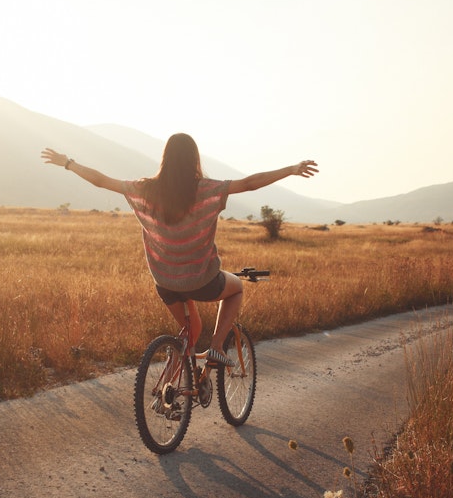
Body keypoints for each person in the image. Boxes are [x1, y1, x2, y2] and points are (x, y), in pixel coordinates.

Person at [41, 133, 318, 366]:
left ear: (165, 159)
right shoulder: (207, 189)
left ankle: (170, 388)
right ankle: (218, 348)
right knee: (236, 289)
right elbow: (248, 183)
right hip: (203, 281)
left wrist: (68, 163)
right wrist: (290, 169)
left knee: (190, 331)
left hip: (165, 282)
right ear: (194, 160)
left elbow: (101, 180)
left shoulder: (145, 190)